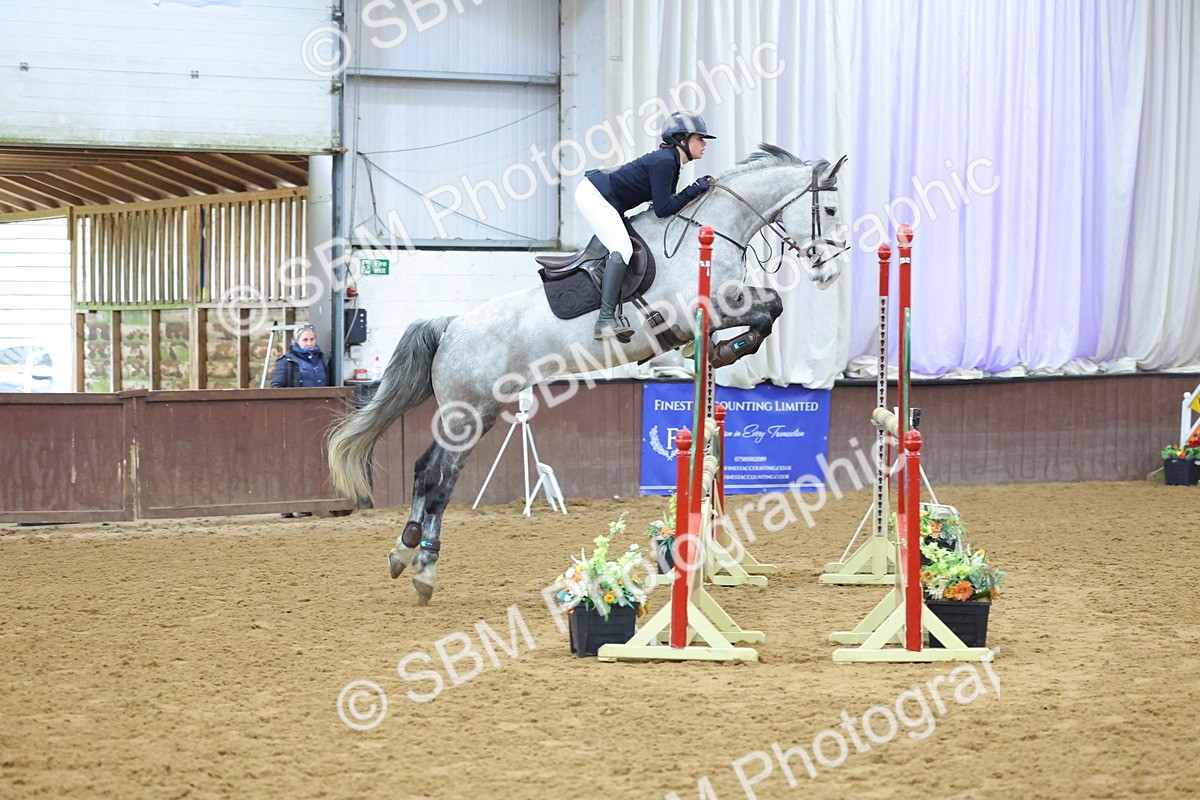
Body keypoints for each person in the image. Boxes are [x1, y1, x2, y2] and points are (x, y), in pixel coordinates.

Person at [576, 110, 716, 342]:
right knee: (622, 248)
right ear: (681, 140)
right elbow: (663, 209)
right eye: (699, 139)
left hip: (607, 197)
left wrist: (693, 191)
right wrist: (694, 189)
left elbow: (664, 204)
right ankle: (605, 320)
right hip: (595, 194)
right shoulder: (665, 162)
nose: (704, 144)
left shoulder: (671, 161)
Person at [269, 323, 332, 388]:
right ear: (296, 341)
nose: (309, 343)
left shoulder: (324, 359)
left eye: (312, 339)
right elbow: (276, 386)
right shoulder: (286, 362)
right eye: (305, 340)